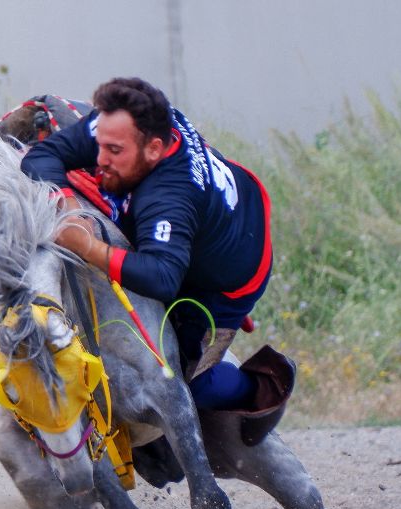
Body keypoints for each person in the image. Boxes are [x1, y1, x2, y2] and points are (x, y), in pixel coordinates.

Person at [20, 77, 272, 411]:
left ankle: (262, 385)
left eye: (114, 151)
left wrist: (87, 246)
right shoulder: (121, 128)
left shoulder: (168, 196)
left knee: (191, 389)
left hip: (235, 268)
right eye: (99, 143)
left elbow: (162, 277)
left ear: (154, 149)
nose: (100, 158)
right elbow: (43, 155)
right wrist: (69, 206)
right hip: (209, 215)